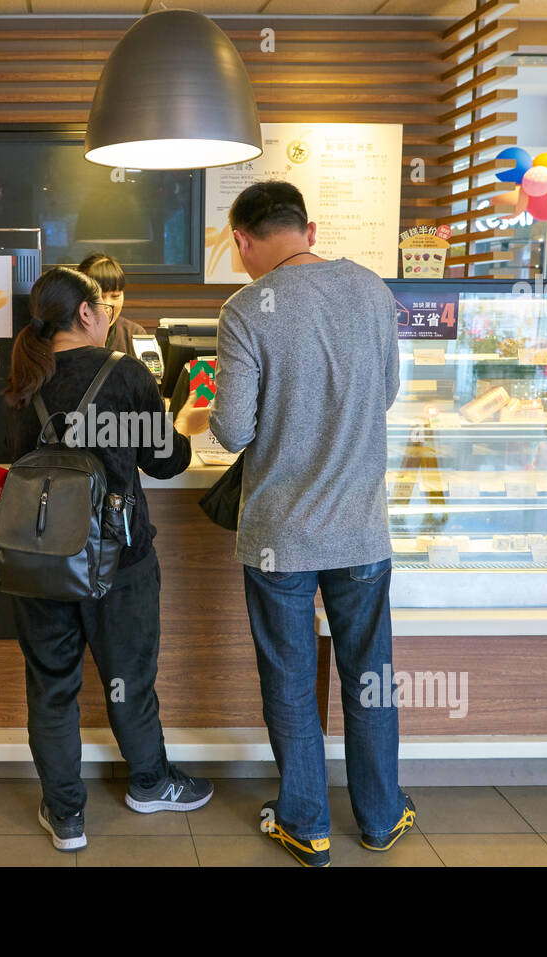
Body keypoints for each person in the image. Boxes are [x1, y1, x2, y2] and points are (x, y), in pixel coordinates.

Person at [198, 181, 414, 866]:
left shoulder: (244, 310)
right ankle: (380, 818)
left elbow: (231, 431)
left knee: (290, 682)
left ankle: (306, 825)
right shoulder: (375, 290)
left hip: (279, 538)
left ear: (241, 240)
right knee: (369, 676)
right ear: (310, 228)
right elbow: (384, 394)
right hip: (360, 533)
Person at [3, 265, 214, 852]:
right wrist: (188, 420)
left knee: (51, 687)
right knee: (129, 678)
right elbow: (168, 463)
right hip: (118, 561)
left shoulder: (24, 380)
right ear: (89, 315)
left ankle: (66, 814)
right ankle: (149, 782)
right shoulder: (125, 375)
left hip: (38, 562)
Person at [77, 252, 145, 360]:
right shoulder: (68, 335)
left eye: (115, 296)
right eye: (100, 296)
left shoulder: (134, 334)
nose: (107, 305)